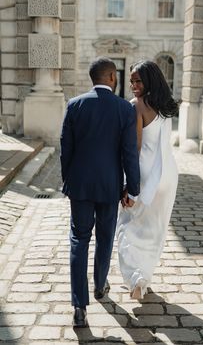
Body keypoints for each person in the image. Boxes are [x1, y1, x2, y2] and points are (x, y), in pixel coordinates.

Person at [60, 57, 140, 327]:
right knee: (105, 238)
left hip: (80, 185)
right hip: (109, 185)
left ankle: (79, 306)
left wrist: (69, 181)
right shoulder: (124, 109)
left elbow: (65, 149)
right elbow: (130, 153)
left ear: (92, 78)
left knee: (78, 240)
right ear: (112, 77)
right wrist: (133, 188)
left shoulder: (75, 105)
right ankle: (99, 284)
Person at [117, 60, 179, 300]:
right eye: (131, 80)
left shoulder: (137, 106)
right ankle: (144, 277)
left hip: (144, 176)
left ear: (149, 80)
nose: (133, 85)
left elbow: (136, 146)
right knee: (156, 229)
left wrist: (128, 186)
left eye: (137, 80)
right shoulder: (166, 105)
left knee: (127, 226)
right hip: (168, 175)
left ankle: (136, 279)